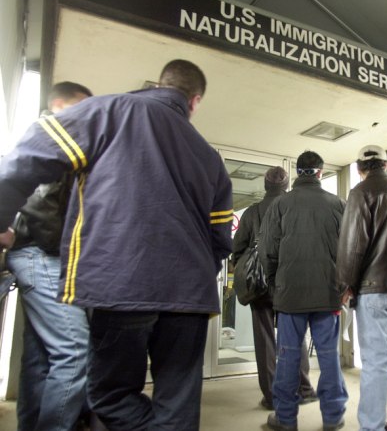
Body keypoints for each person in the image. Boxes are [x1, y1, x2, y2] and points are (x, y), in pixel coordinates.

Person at [0, 59, 233, 430]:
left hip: (121, 285)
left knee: (109, 394)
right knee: (178, 406)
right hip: (190, 297)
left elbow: (25, 160)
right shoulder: (210, 158)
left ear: (160, 84)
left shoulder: (107, 111)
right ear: (195, 101)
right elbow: (221, 240)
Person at [0, 82, 92, 431]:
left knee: (40, 358)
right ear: (58, 104)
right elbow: (41, 205)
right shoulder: (54, 139)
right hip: (43, 255)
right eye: (81, 107)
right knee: (74, 353)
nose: (86, 117)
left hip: (34, 254)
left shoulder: (41, 140)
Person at [260, 151, 348, 431]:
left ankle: (285, 419)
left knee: (287, 356)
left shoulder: (281, 204)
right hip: (327, 293)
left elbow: (267, 251)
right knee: (329, 356)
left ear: (298, 172)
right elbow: (348, 252)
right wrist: (344, 287)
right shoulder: (337, 204)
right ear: (320, 172)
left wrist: (276, 284)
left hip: (289, 294)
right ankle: (333, 417)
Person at [336, 145, 387, 431]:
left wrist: (345, 284)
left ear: (360, 168)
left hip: (373, 288)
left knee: (375, 363)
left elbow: (353, 244)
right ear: (385, 164)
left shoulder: (361, 193)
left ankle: (371, 426)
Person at [232, 166, 317, 411]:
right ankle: (303, 389)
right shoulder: (297, 208)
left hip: (260, 286)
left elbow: (238, 250)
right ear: (286, 185)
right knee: (295, 336)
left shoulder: (251, 212)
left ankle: (272, 396)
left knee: (265, 339)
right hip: (291, 284)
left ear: (266, 186)